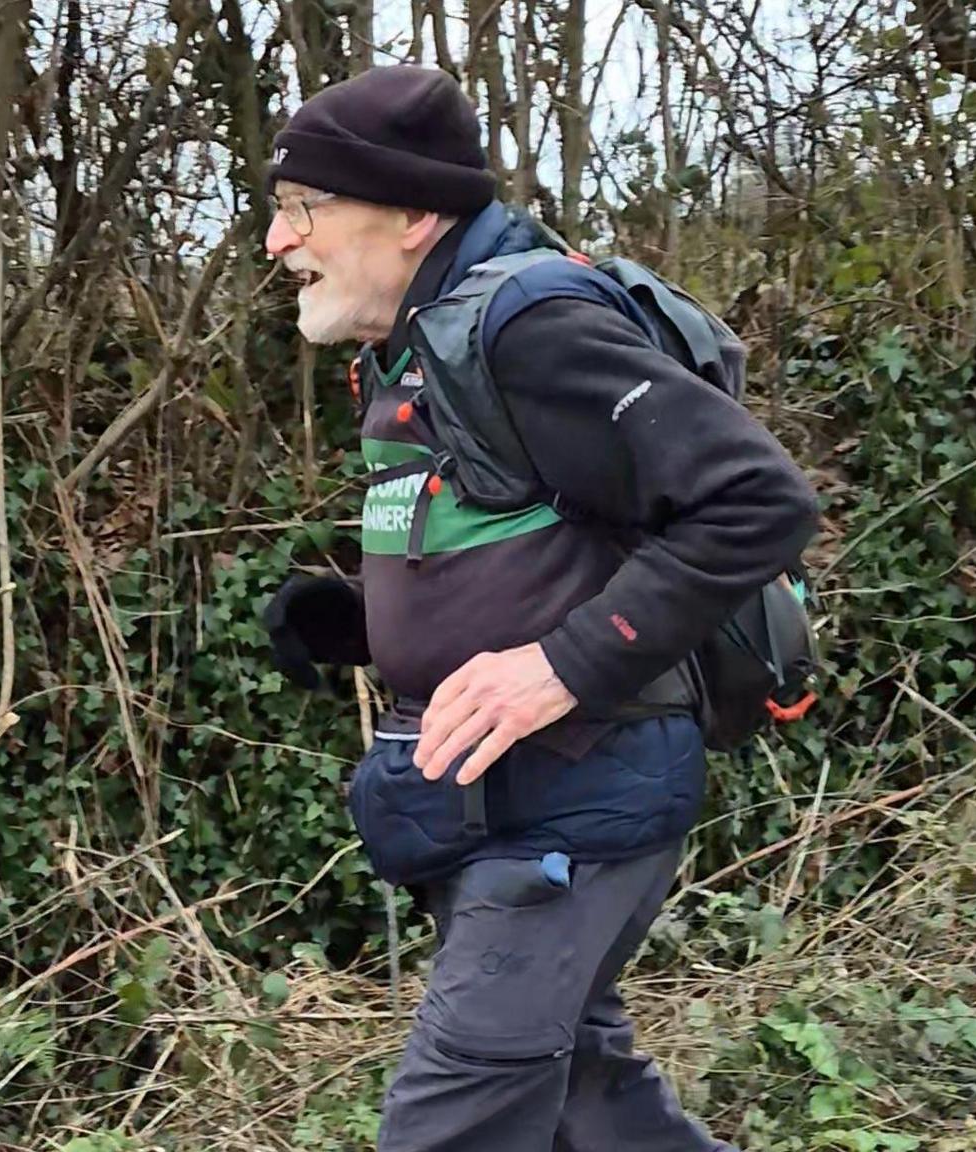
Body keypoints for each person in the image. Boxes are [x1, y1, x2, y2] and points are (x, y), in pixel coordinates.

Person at [258, 66, 819, 1151]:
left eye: (302, 210)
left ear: (414, 216)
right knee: (585, 1100)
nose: (278, 243)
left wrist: (559, 665)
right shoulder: (420, 337)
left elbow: (755, 501)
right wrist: (360, 622)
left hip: (579, 786)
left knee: (457, 1113)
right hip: (504, 797)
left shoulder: (528, 326)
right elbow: (541, 539)